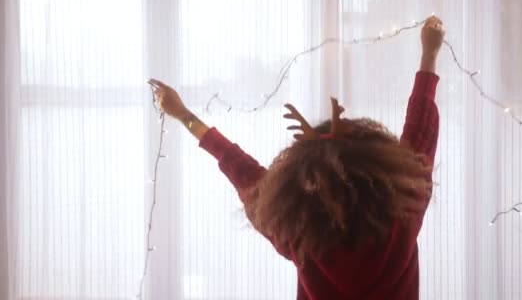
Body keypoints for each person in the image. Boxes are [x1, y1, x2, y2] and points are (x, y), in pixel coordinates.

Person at [151, 15, 444, 300]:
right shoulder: (405, 208)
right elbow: (420, 129)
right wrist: (429, 54)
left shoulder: (299, 230)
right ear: (379, 164)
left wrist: (184, 116)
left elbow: (237, 165)